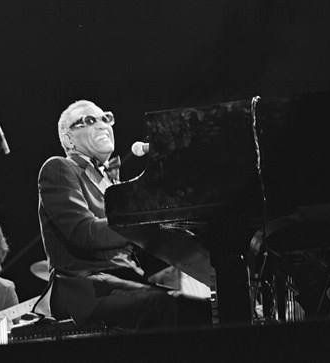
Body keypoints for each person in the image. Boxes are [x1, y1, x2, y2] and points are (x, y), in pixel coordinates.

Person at [36, 100, 211, 330]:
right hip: (85, 286)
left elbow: (138, 239)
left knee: (204, 309)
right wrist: (141, 219)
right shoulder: (59, 168)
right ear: (69, 139)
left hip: (124, 281)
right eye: (89, 120)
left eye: (105, 118)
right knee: (168, 307)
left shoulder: (112, 182)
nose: (102, 125)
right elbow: (83, 232)